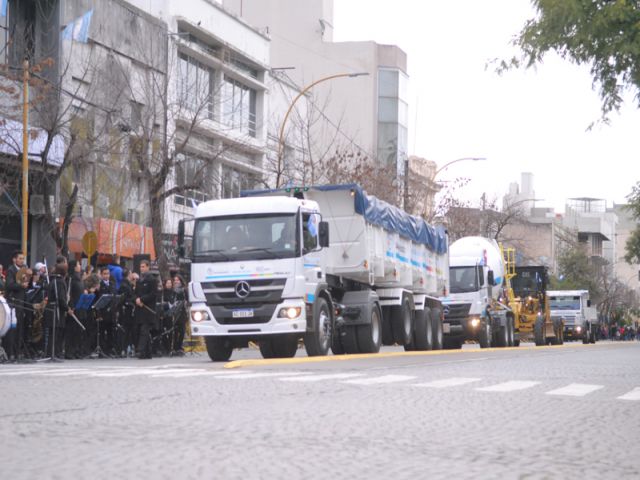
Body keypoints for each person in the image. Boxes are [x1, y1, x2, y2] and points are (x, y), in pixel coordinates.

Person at [43, 256, 70, 359]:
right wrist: (67, 308)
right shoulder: (60, 281)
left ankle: (50, 353)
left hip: (51, 309)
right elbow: (61, 299)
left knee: (52, 333)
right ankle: (54, 353)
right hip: (56, 311)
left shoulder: (53, 280)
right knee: (56, 333)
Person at [3, 251, 27, 361]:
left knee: (20, 329)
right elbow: (9, 285)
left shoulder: (24, 270)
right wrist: (21, 285)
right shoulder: (11, 270)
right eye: (20, 258)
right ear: (14, 259)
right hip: (13, 303)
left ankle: (19, 352)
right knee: (13, 329)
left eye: (23, 258)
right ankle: (11, 352)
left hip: (21, 303)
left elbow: (26, 285)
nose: (22, 260)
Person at [134, 259, 158, 359]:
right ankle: (147, 352)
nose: (141, 269)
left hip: (148, 309)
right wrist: (136, 299)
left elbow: (153, 294)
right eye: (141, 267)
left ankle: (140, 350)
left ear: (148, 267)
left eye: (143, 267)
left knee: (144, 330)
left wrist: (142, 299)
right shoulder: (139, 280)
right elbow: (136, 293)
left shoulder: (152, 279)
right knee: (142, 330)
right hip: (140, 308)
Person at [65, 260, 85, 359]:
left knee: (78, 331)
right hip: (73, 308)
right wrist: (70, 306)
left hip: (80, 306)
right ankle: (69, 351)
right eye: (78, 264)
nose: (80, 266)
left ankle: (77, 350)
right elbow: (69, 294)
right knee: (71, 331)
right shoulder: (70, 279)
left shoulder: (79, 278)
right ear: (74, 267)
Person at [96, 266, 117, 354]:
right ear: (101, 275)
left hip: (111, 312)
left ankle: (110, 348)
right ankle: (103, 349)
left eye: (108, 274)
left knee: (110, 331)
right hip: (103, 312)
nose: (106, 276)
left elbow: (115, 297)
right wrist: (98, 314)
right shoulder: (100, 285)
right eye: (104, 274)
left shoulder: (112, 284)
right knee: (102, 331)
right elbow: (97, 300)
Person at [118, 269, 136, 357]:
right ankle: (123, 349)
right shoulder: (124, 285)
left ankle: (126, 348)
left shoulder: (128, 284)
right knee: (126, 330)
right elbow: (125, 299)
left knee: (128, 330)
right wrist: (133, 301)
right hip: (126, 311)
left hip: (129, 310)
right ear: (129, 274)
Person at [171, 275, 188, 355]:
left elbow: (187, 300)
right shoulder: (172, 290)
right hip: (175, 311)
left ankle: (179, 347)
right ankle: (174, 347)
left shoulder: (184, 290)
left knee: (181, 330)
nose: (176, 281)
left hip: (182, 312)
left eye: (177, 280)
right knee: (175, 330)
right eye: (175, 280)